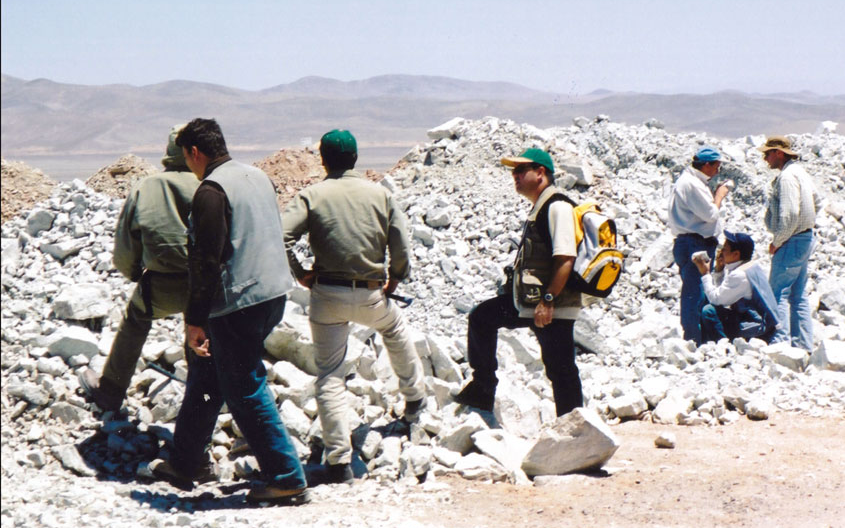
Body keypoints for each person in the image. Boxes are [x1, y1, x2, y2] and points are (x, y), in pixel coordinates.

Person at [149, 118, 307, 504]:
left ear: (194, 153)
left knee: (244, 387)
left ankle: (286, 476)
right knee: (206, 377)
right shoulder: (256, 176)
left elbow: (206, 260)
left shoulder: (211, 191)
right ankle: (185, 463)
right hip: (272, 293)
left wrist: (194, 320)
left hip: (239, 302)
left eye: (187, 158)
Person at [281, 129, 426, 484]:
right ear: (356, 159)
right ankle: (415, 400)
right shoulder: (381, 194)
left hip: (326, 295)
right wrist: (395, 279)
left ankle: (338, 461)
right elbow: (402, 246)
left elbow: (280, 236)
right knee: (393, 328)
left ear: (324, 160)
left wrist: (300, 274)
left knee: (330, 373)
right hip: (371, 293)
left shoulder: (311, 195)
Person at [453, 147, 587, 416]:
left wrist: (547, 300)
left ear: (540, 173)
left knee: (560, 368)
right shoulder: (542, 206)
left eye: (520, 170)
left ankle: (575, 427)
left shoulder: (558, 206)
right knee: (482, 318)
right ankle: (482, 390)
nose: (514, 176)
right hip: (530, 303)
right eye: (513, 171)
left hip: (552, 305)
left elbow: (565, 259)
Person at [80, 126, 200, 414]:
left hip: (160, 285)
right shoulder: (211, 184)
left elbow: (126, 244)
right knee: (201, 337)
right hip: (207, 285)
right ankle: (202, 398)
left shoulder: (147, 187)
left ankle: (110, 390)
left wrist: (134, 273)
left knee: (135, 322)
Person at [758, 135, 820, 353]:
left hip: (791, 240)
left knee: (778, 293)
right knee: (799, 295)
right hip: (805, 238)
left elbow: (790, 215)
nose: (765, 158)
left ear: (779, 153)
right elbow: (818, 200)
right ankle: (803, 345)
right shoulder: (801, 173)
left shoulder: (786, 178)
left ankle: (780, 344)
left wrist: (778, 241)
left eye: (768, 153)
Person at [669, 146, 732, 343]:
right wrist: (720, 195)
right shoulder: (692, 185)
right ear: (707, 165)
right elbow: (711, 214)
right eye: (717, 167)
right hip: (695, 243)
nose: (717, 172)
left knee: (699, 289)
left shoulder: (692, 181)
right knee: (694, 293)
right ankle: (693, 340)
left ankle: (702, 336)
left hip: (693, 242)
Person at [691, 230, 775, 344]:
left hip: (755, 325)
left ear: (736, 254)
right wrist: (719, 271)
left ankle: (724, 347)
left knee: (709, 311)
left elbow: (716, 299)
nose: (721, 252)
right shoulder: (749, 266)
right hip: (758, 320)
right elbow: (723, 293)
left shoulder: (739, 275)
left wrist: (705, 274)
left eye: (725, 249)